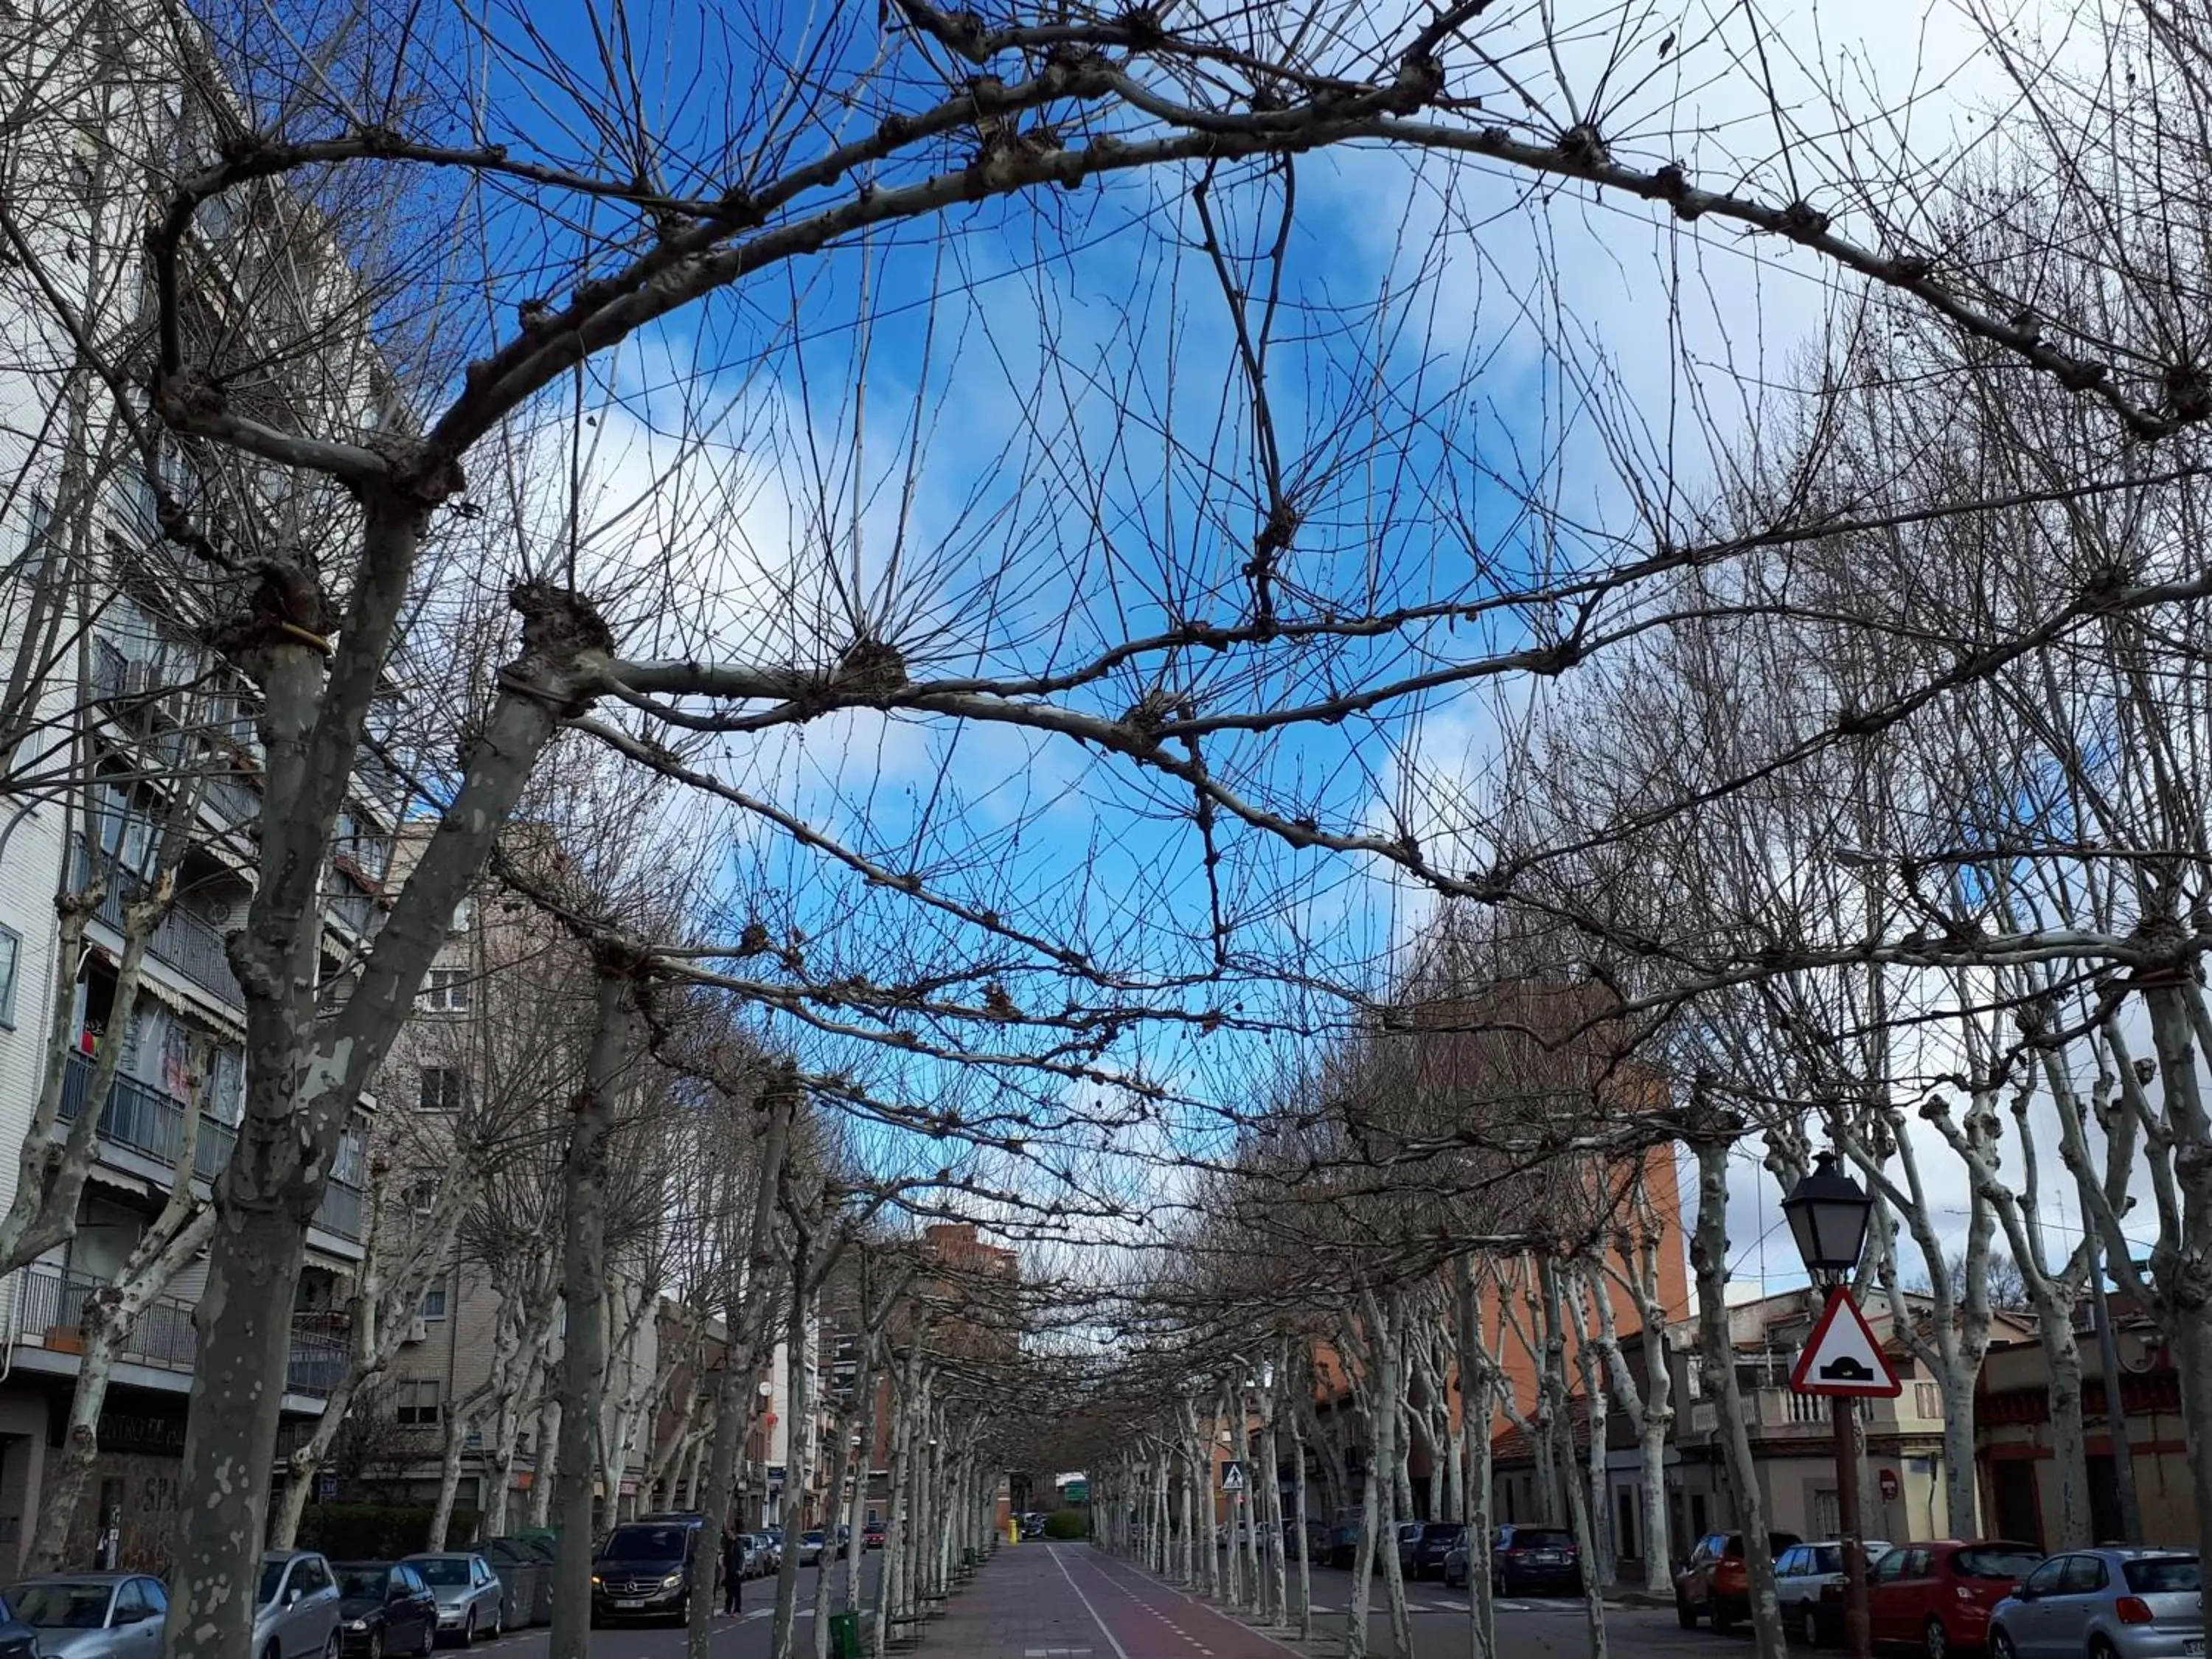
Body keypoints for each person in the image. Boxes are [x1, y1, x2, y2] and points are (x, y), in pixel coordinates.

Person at [722, 1528, 745, 1615]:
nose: (729, 1535)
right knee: (729, 1591)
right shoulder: (728, 1544)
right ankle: (727, 1609)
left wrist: (739, 1569)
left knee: (736, 1591)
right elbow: (726, 1556)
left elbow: (741, 1557)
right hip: (729, 1570)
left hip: (735, 1570)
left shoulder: (738, 1544)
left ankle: (737, 1610)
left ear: (734, 1534)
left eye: (730, 1534)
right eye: (728, 1534)